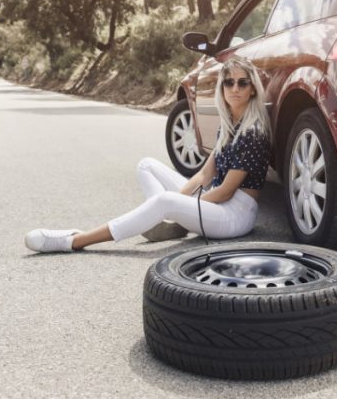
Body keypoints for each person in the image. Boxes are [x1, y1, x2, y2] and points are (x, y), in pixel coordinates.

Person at [24, 56, 272, 253]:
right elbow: (205, 174)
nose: (235, 88)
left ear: (252, 89)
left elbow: (227, 191)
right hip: (216, 203)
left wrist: (178, 206)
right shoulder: (228, 125)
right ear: (222, 88)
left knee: (165, 202)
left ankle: (76, 240)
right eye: (229, 82)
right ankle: (165, 224)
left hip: (235, 215)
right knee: (147, 165)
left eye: (243, 82)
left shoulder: (252, 131)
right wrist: (180, 204)